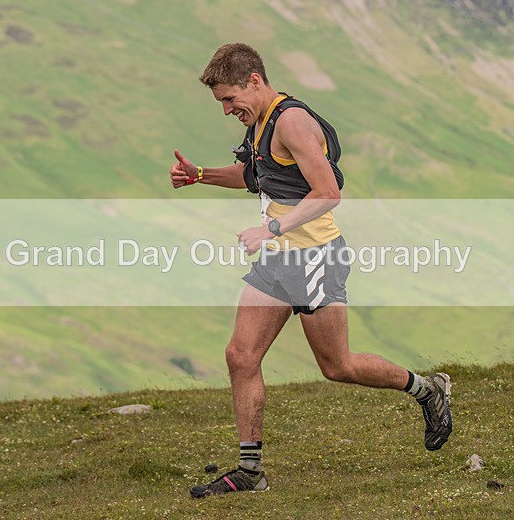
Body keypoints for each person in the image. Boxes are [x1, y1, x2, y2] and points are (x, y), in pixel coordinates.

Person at [169, 43, 452, 499]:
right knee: (241, 356)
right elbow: (254, 176)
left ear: (254, 82)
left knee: (337, 366)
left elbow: (327, 193)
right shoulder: (259, 122)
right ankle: (250, 471)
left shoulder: (292, 122)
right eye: (221, 102)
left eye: (229, 99)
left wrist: (270, 228)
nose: (226, 110)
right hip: (278, 259)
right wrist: (200, 174)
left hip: (315, 256)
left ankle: (427, 390)